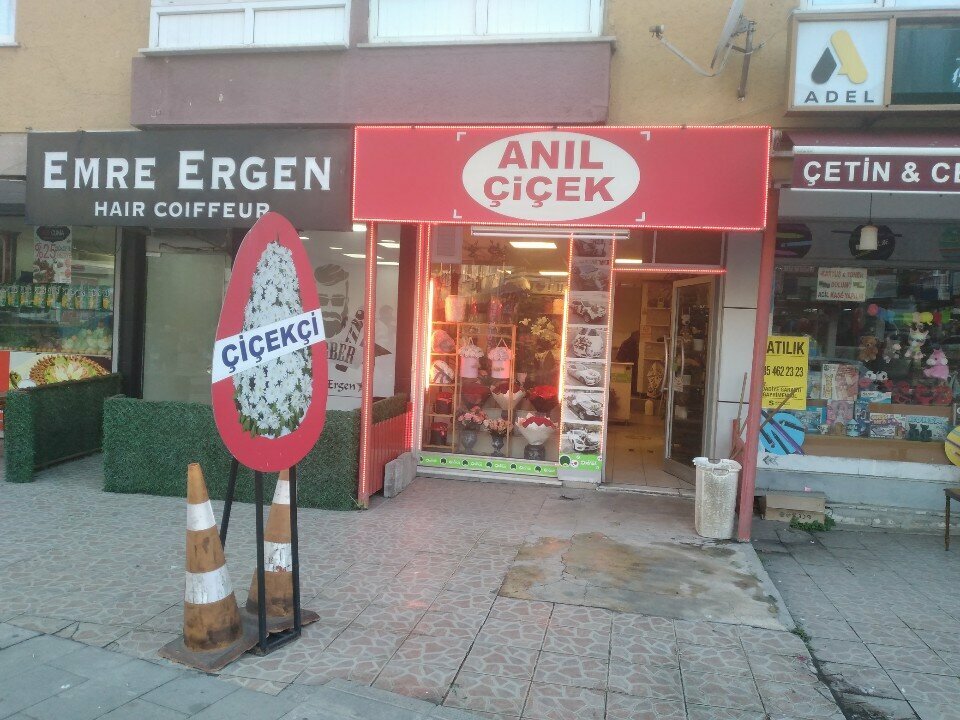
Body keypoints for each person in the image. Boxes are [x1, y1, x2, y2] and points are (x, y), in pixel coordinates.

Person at [615, 330, 641, 396]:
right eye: (638, 336)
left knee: (630, 381)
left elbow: (619, 357)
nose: (639, 338)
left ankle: (631, 392)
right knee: (631, 380)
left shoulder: (627, 342)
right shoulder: (630, 343)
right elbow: (622, 357)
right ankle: (632, 392)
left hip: (628, 364)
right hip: (629, 365)